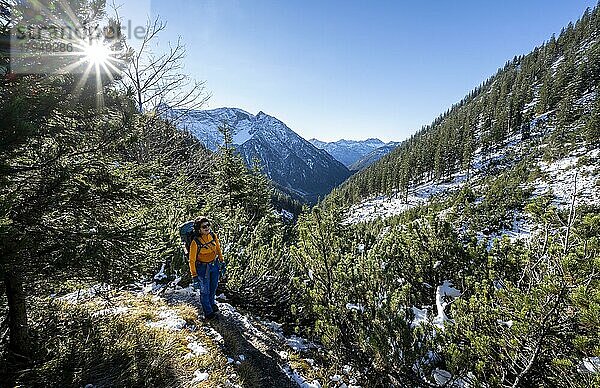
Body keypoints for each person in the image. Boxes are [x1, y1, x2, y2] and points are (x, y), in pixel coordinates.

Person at [189, 216, 224, 319]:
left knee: (213, 287)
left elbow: (218, 248)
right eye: (204, 226)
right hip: (202, 269)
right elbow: (192, 260)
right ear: (199, 229)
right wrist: (194, 276)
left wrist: (222, 262)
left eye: (208, 225)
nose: (207, 228)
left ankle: (212, 303)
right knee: (205, 291)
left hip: (214, 265)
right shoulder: (195, 242)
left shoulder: (213, 236)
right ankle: (208, 312)